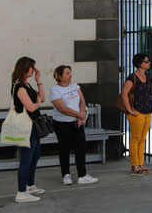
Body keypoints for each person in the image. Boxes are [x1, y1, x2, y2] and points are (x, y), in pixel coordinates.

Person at [50, 65, 99, 185]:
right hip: (61, 123)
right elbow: (62, 108)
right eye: (67, 73)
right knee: (64, 149)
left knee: (81, 147)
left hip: (77, 122)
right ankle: (66, 175)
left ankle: (82, 175)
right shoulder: (55, 90)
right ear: (60, 76)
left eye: (70, 73)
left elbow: (82, 101)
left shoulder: (74, 85)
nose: (70, 75)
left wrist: (80, 115)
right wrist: (78, 114)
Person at [11, 57, 45, 203]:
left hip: (33, 126)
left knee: (35, 157)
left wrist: (38, 80)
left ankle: (30, 186)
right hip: (27, 127)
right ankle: (21, 192)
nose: (33, 69)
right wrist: (37, 102)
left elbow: (42, 98)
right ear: (24, 68)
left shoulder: (27, 85)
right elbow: (32, 107)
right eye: (31, 67)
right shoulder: (19, 87)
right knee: (26, 160)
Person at [121, 53, 152, 176]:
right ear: (139, 63)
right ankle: (135, 166)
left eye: (149, 60)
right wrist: (129, 110)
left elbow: (148, 94)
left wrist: (151, 108)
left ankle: (141, 164)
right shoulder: (132, 78)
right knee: (135, 139)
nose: (148, 62)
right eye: (146, 61)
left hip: (147, 112)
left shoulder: (147, 77)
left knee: (142, 139)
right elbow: (124, 94)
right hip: (137, 112)